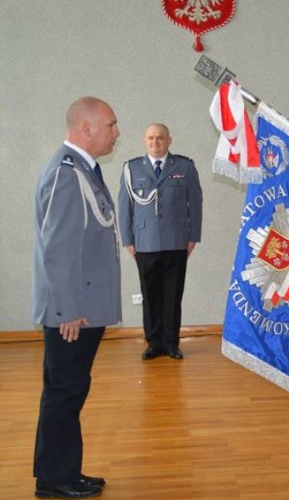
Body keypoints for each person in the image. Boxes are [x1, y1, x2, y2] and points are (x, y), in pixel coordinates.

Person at [32, 97, 121, 498]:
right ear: (85, 128)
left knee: (69, 390)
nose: (116, 133)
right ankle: (55, 479)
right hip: (73, 312)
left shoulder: (83, 170)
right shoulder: (67, 175)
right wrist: (68, 309)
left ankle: (63, 469)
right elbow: (58, 248)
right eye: (111, 125)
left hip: (81, 306)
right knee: (64, 392)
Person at [118, 123, 203, 360]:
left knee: (173, 296)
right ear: (144, 141)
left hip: (177, 241)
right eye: (150, 138)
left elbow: (195, 203)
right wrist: (127, 239)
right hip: (144, 243)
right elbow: (125, 207)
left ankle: (172, 343)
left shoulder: (185, 167)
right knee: (150, 294)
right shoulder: (131, 169)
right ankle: (154, 343)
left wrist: (193, 236)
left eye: (160, 138)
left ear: (169, 140)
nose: (155, 142)